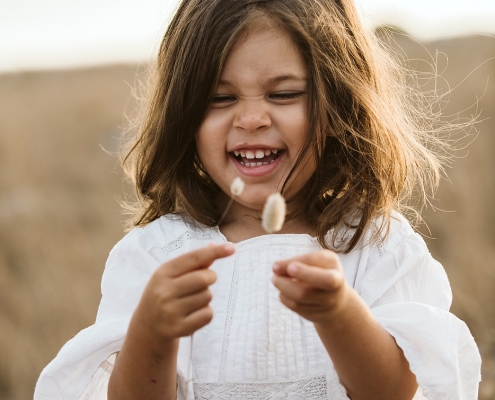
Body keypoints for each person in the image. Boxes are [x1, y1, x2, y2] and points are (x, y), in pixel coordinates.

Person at [34, 0, 481, 399]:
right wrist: (152, 331)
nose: (250, 118)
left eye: (283, 94)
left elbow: (395, 391)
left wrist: (338, 312)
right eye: (219, 98)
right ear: (184, 116)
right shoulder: (155, 254)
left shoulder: (375, 246)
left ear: (339, 106)